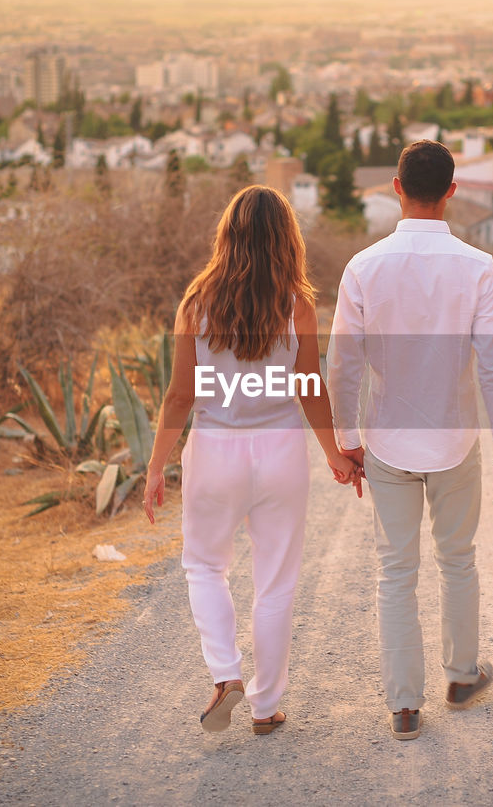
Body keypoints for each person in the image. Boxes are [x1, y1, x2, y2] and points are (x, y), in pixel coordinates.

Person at [143, 185, 356, 736]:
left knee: (204, 566)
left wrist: (153, 468)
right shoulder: (297, 303)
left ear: (227, 235)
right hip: (280, 452)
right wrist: (336, 454)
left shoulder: (196, 301)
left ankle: (225, 675)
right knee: (276, 582)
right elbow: (310, 386)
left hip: (215, 450)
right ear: (286, 238)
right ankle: (264, 708)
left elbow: (179, 397)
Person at [327, 140, 493, 741]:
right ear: (453, 192)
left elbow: (343, 366)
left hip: (386, 444)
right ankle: (462, 677)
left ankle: (405, 706)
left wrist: (345, 440)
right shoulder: (477, 267)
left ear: (396, 186)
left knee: (395, 572)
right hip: (455, 443)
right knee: (457, 561)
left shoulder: (363, 267)